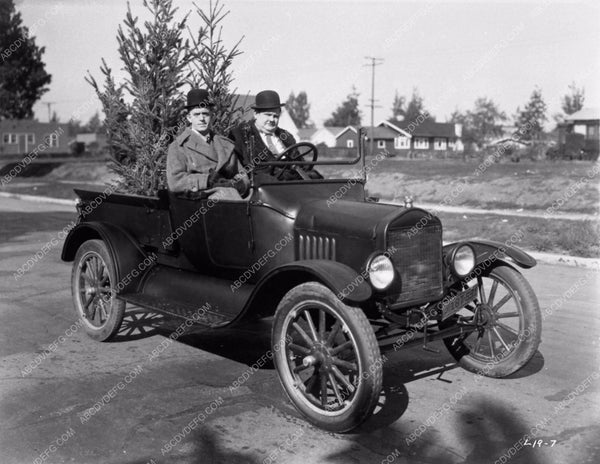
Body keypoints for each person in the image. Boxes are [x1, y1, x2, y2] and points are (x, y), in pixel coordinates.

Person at [166, 89, 248, 198]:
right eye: (196, 114)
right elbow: (175, 182)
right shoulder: (178, 147)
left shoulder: (225, 145)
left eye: (205, 114)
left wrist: (239, 183)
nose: (202, 119)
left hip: (229, 193)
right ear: (189, 118)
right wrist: (207, 180)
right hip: (198, 198)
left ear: (212, 116)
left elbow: (241, 173)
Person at [228, 90, 321, 182]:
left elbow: (300, 163)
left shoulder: (286, 137)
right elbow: (240, 168)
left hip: (291, 178)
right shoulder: (242, 135)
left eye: (276, 116)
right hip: (265, 181)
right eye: (268, 115)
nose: (272, 120)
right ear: (256, 114)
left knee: (316, 177)